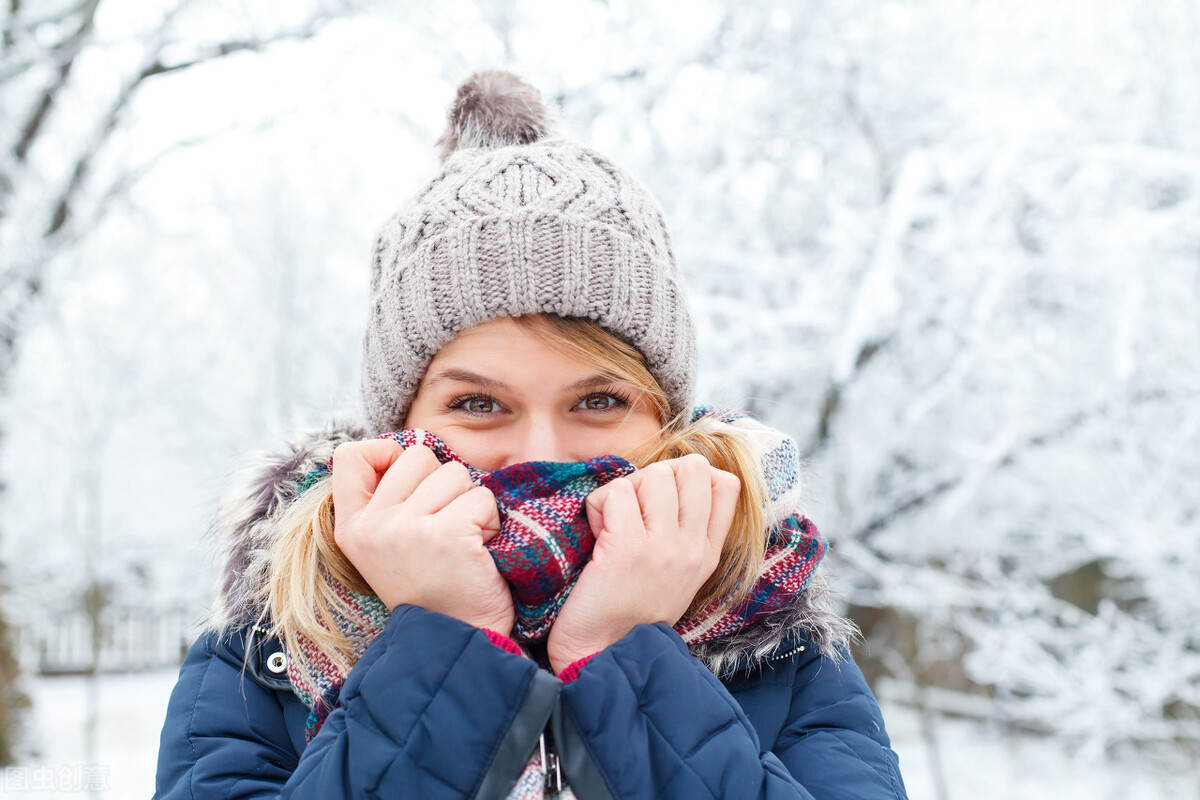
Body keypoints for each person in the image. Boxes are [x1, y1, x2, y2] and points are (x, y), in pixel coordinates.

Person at [153, 70, 909, 800]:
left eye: (600, 399)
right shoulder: (270, 649)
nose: (542, 455)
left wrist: (624, 652)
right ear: (400, 428)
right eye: (480, 404)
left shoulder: (775, 640)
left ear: (667, 422)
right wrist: (447, 644)